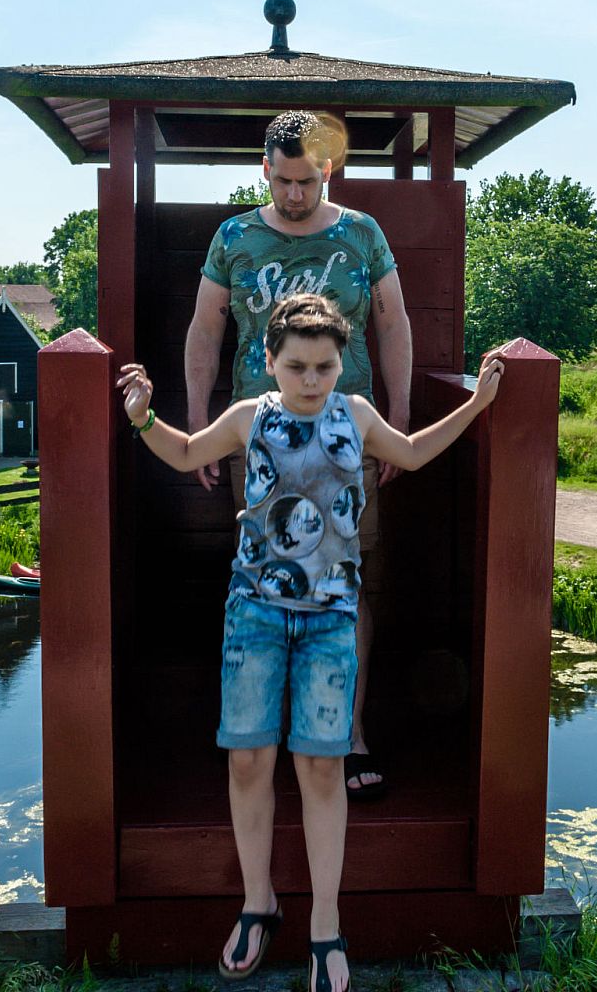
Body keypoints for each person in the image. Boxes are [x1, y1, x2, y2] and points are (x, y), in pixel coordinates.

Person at [119, 294, 505, 992]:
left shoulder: (354, 416)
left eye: (324, 366)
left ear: (340, 364)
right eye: (295, 366)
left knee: (323, 769)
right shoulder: (249, 417)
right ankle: (257, 903)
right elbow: (181, 453)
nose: (310, 380)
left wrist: (478, 404)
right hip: (255, 615)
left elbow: (413, 454)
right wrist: (142, 415)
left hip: (331, 617)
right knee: (247, 761)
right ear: (268, 361)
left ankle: (326, 923)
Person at [185, 110, 411, 799]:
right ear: (265, 171)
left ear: (327, 173)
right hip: (261, 440)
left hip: (350, 434)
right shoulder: (235, 237)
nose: (292, 194)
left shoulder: (362, 234)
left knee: (351, 585)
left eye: (306, 181)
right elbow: (206, 328)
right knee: (265, 585)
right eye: (281, 181)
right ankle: (273, 733)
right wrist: (199, 420)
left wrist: (399, 417)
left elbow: (392, 322)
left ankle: (346, 730)